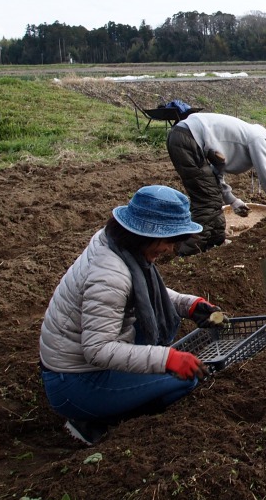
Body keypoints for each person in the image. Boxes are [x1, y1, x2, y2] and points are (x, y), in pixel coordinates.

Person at [39, 185, 223, 445]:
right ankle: (96, 422)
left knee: (158, 352)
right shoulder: (110, 275)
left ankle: (110, 404)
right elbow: (97, 349)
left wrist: (189, 305)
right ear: (145, 235)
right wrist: (167, 358)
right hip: (75, 381)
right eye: (169, 240)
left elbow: (142, 292)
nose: (170, 249)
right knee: (185, 380)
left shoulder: (115, 245)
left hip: (73, 366)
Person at [166, 112, 266, 255]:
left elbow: (216, 173)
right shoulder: (260, 139)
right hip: (187, 138)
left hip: (185, 137)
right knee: (207, 201)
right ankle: (187, 251)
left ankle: (216, 242)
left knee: (212, 195)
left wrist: (232, 201)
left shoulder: (240, 142)